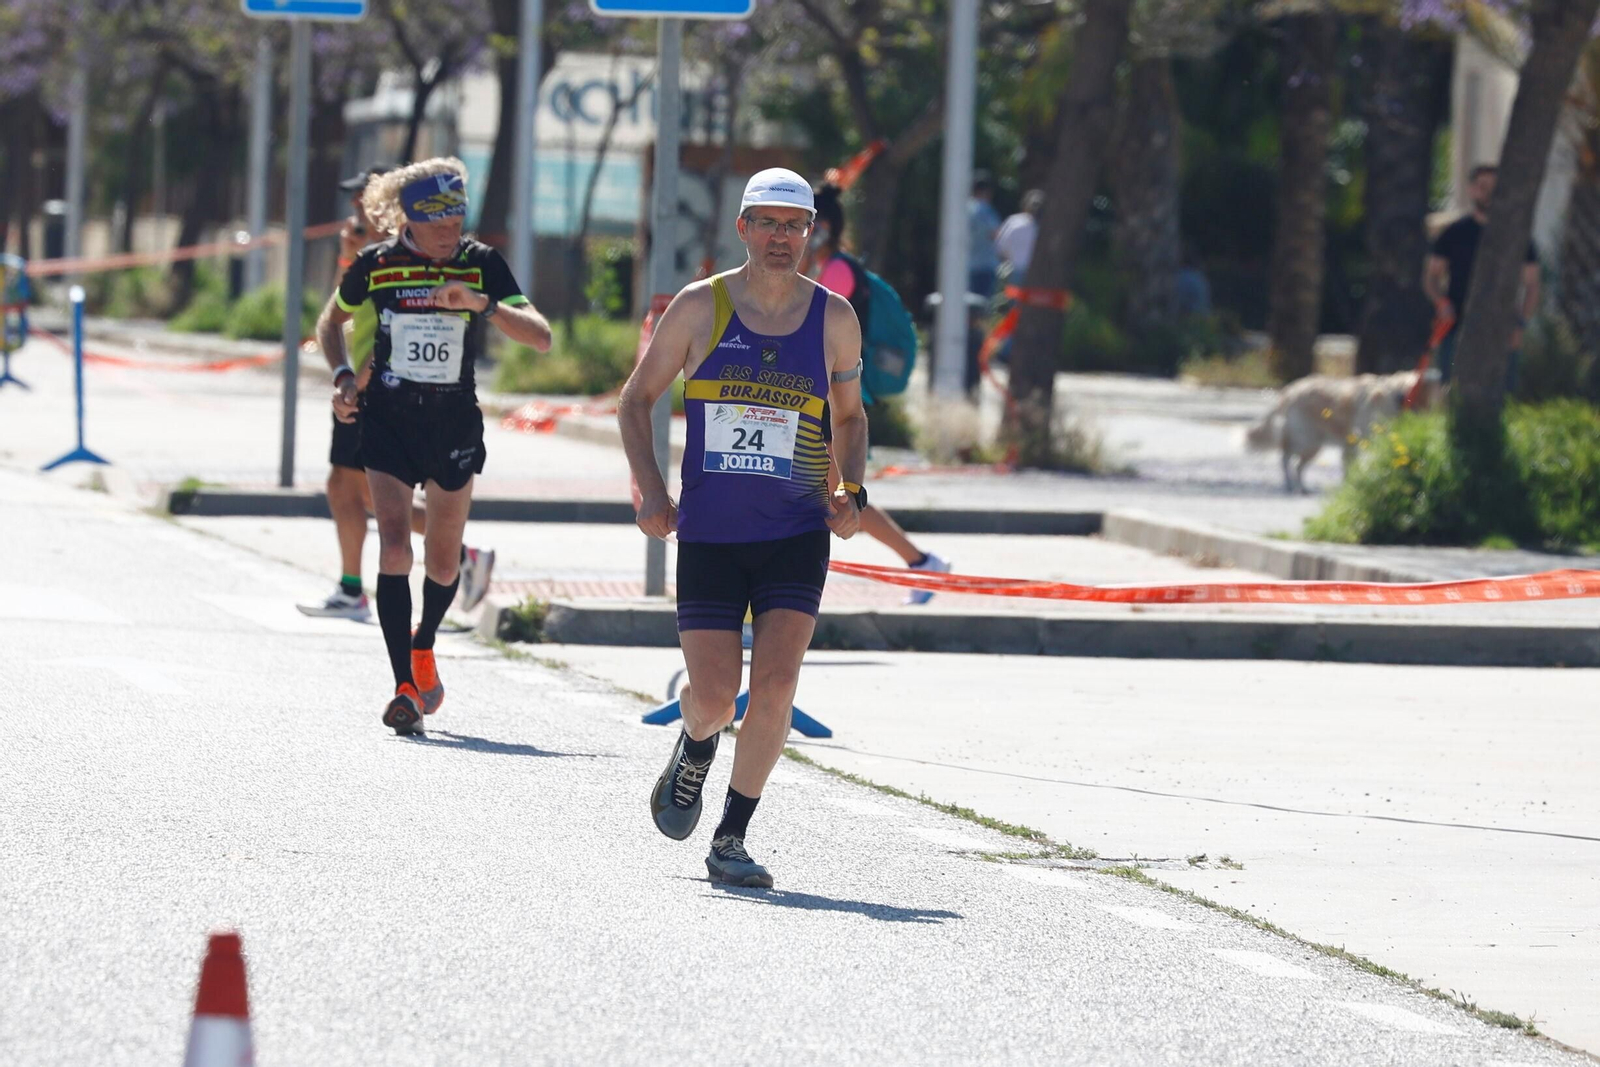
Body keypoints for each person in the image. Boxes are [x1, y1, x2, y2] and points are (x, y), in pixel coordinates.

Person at [618, 168, 866, 889]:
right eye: (768, 223)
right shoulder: (700, 308)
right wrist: (652, 492)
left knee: (778, 683)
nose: (782, 238)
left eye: (795, 225)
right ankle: (695, 744)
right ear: (743, 229)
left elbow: (850, 419)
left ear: (812, 231)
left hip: (794, 531)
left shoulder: (836, 319)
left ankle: (731, 835)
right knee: (718, 696)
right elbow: (636, 403)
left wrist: (849, 491)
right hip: (710, 534)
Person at [316, 157, 552, 735]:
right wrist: (345, 379)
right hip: (388, 421)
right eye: (439, 223)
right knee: (395, 548)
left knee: (444, 560)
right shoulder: (377, 264)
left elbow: (542, 337)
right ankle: (403, 687)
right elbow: (330, 324)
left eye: (458, 220)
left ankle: (424, 646)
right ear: (411, 221)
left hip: (452, 425)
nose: (451, 232)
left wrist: (484, 307)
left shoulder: (479, 264)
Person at [298, 164, 498, 621]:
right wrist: (346, 260)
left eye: (362, 203)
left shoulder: (403, 259)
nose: (355, 212)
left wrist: (360, 379)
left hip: (379, 390)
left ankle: (439, 561)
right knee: (353, 490)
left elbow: (402, 327)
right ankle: (446, 559)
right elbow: (340, 315)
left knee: (356, 491)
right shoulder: (369, 255)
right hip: (362, 382)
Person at [802, 181, 952, 605]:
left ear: (824, 226)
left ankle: (922, 562)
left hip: (838, 399)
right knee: (833, 498)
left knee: (837, 499)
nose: (793, 232)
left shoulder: (836, 273)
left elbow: (817, 332)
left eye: (801, 223)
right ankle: (921, 562)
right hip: (828, 396)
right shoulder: (827, 268)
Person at [1423, 163, 1540, 388]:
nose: (1488, 192)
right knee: (1452, 389)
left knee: (1502, 392)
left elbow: (1532, 284)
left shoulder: (1517, 235)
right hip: (1456, 324)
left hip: (1502, 326)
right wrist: (1441, 302)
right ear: (1472, 189)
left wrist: (1521, 323)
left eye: (1495, 187)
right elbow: (1431, 277)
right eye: (1482, 186)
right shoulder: (1454, 233)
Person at [995, 188, 1043, 285]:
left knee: (1015, 298)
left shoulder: (1013, 221)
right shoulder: (1044, 228)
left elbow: (1000, 245)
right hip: (1034, 271)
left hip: (1015, 269)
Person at [967, 172, 1003, 300]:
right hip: (984, 265)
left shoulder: (965, 208)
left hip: (966, 265)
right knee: (981, 309)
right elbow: (996, 234)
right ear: (987, 191)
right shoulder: (984, 210)